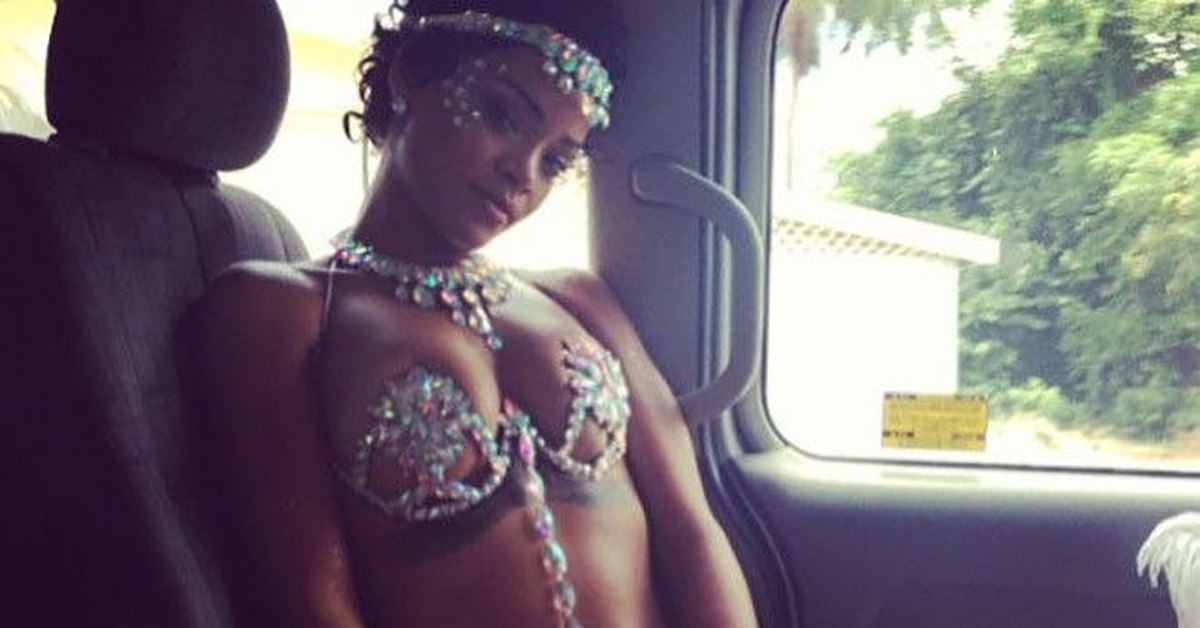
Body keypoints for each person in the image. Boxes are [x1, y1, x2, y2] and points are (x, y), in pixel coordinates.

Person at [192, 1, 757, 626]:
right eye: (501, 114)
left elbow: (691, 534)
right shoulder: (284, 312)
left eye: (556, 160)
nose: (523, 175)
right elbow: (312, 602)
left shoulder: (581, 300)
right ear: (411, 75)